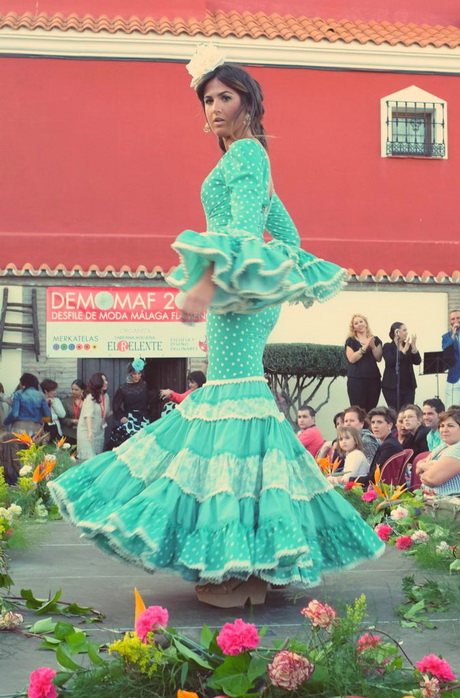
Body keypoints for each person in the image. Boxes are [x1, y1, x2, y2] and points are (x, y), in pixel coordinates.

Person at [49, 53, 384, 608]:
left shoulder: (248, 154)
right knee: (236, 400)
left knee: (229, 401)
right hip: (241, 290)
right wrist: (266, 279)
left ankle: (239, 567)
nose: (214, 107)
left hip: (234, 289)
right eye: (207, 99)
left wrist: (209, 282)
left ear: (247, 102)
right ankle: (247, 565)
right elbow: (287, 232)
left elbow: (249, 230)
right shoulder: (250, 160)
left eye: (225, 96)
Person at [109, 359, 158, 448]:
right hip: (130, 420)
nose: (137, 376)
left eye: (139, 374)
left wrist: (163, 394)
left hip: (143, 420)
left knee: (143, 446)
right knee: (131, 446)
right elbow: (115, 405)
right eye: (134, 373)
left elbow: (151, 398)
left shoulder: (144, 385)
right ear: (130, 373)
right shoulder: (123, 388)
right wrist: (121, 416)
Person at [354, 406, 402, 487]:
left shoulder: (389, 445)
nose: (375, 426)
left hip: (385, 491)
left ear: (390, 425)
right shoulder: (388, 442)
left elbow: (373, 478)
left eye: (379, 422)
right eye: (373, 422)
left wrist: (348, 479)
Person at [417, 407, 460, 498]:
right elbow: (418, 467)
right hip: (434, 502)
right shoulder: (443, 446)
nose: (444, 430)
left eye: (450, 426)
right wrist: (424, 466)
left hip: (452, 505)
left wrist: (425, 471)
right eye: (442, 426)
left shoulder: (458, 448)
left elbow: (431, 479)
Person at [344, 314, 382, 412]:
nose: (359, 324)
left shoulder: (375, 339)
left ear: (366, 324)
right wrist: (365, 346)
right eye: (356, 323)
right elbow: (352, 359)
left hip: (373, 379)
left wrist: (373, 346)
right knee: (358, 410)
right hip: (356, 380)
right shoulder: (350, 341)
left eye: (361, 321)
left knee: (371, 409)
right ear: (353, 328)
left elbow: (378, 358)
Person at [381, 322, 421, 410]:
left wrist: (414, 347)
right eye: (404, 330)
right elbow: (390, 361)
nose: (406, 333)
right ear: (397, 332)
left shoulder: (408, 346)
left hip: (408, 387)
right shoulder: (388, 346)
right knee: (395, 412)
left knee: (407, 411)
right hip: (391, 387)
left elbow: (417, 361)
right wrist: (404, 350)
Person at [76, 373, 110, 461]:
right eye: (103, 381)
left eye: (106, 380)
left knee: (96, 460)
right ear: (97, 382)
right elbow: (88, 415)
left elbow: (106, 414)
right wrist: (90, 432)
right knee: (88, 459)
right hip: (87, 433)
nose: (106, 382)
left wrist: (119, 410)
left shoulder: (105, 397)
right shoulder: (90, 397)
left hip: (99, 432)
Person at [442, 309, 460, 408]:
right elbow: (446, 352)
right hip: (455, 376)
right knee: (452, 408)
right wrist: (453, 335)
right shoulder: (446, 337)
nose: (456, 321)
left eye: (458, 318)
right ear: (450, 322)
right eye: (453, 319)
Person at [62, 379, 86, 444]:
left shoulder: (87, 402)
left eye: (76, 390)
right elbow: (62, 419)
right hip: (69, 434)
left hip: (84, 434)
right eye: (72, 389)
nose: (73, 391)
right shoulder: (67, 402)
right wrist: (72, 421)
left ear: (82, 390)